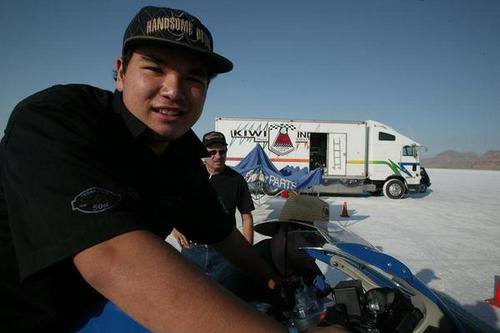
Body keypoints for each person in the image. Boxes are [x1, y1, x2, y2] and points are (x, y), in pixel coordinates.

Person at [0, 5, 346, 333]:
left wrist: (275, 283)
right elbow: (112, 257)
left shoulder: (180, 153)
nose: (174, 90)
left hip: (102, 310)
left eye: (194, 78)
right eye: (155, 68)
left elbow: (222, 234)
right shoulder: (58, 121)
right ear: (120, 72)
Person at [171, 131, 255, 286]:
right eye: (212, 152)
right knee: (191, 296)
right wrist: (174, 229)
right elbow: (171, 206)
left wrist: (247, 252)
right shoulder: (190, 175)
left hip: (225, 253)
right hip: (192, 251)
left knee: (228, 299)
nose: (218, 156)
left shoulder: (237, 180)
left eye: (222, 151)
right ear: (204, 154)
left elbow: (246, 217)